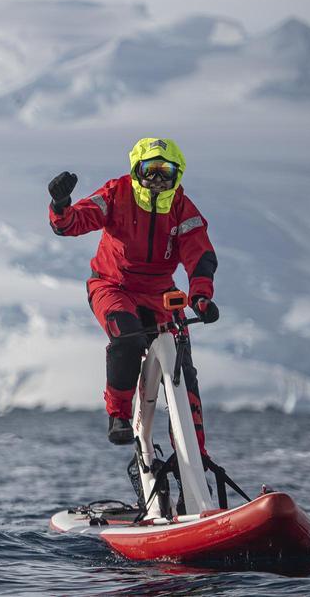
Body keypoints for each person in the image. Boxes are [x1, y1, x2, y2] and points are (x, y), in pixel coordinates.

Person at [47, 138, 219, 454]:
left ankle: (195, 461)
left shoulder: (183, 209)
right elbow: (73, 222)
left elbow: (200, 256)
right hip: (112, 286)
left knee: (184, 373)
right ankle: (119, 417)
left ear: (176, 175)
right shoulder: (116, 193)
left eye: (164, 171)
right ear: (136, 170)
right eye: (149, 170)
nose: (157, 180)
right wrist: (60, 206)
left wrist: (201, 297)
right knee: (127, 338)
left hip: (160, 294)